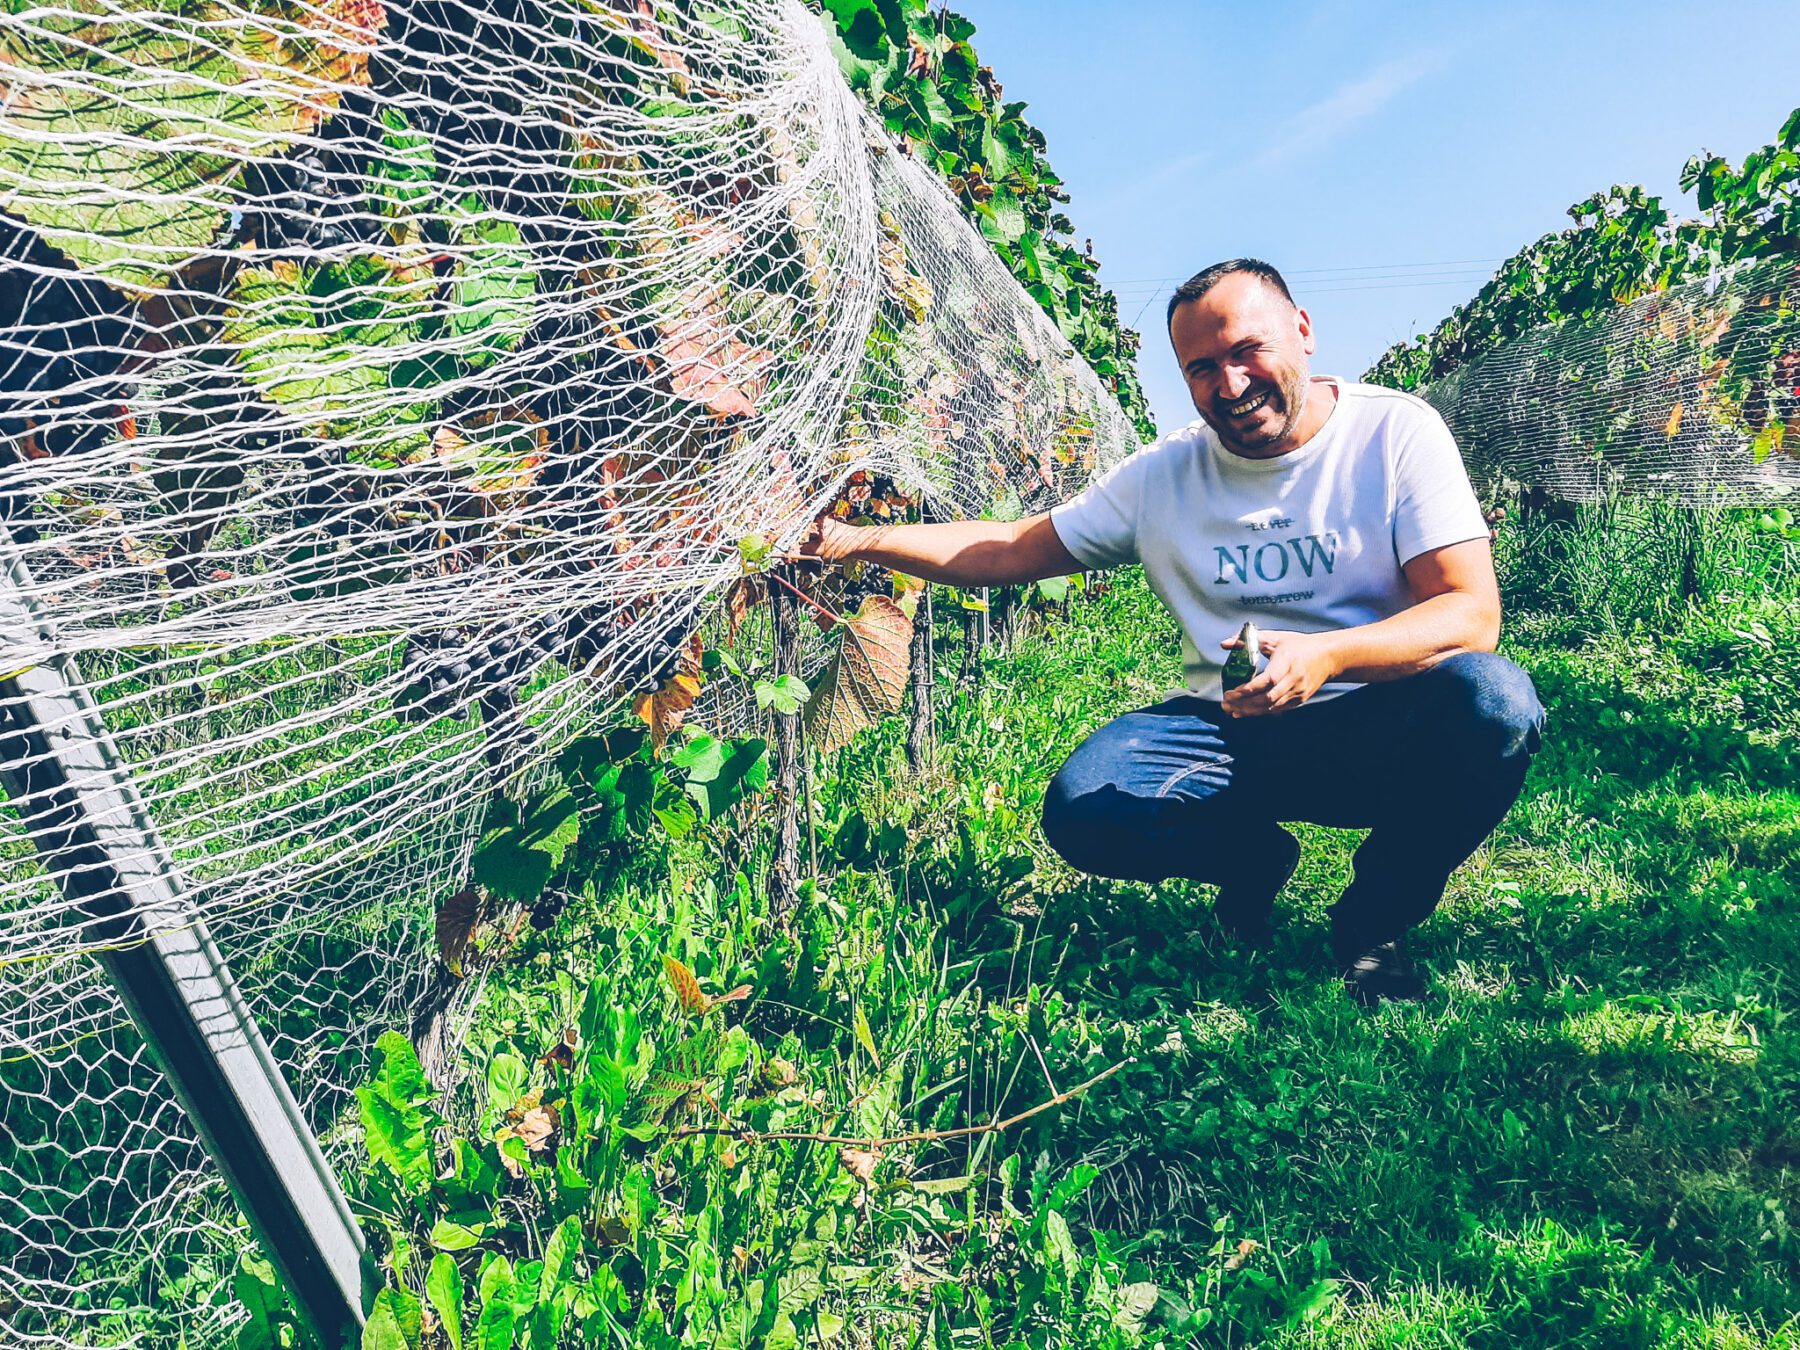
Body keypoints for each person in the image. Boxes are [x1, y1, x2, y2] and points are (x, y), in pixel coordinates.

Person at [796, 258, 1544, 1005]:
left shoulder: (1393, 433)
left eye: (1249, 350)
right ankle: (1253, 861)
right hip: (1236, 728)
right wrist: (852, 541)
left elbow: (1470, 613)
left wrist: (1329, 655)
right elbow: (1014, 546)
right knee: (1086, 809)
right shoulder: (1163, 475)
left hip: (1380, 723)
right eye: (1202, 367)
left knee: (1495, 704)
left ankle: (1372, 922)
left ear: (1304, 332)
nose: (1231, 384)